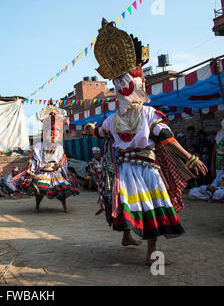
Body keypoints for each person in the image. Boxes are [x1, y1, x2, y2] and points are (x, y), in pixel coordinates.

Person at [85, 19, 208, 265]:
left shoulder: (111, 119)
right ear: (139, 87)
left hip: (125, 170)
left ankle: (127, 238)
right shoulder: (148, 114)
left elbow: (98, 132)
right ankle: (152, 256)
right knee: (152, 210)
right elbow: (167, 138)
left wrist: (90, 129)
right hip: (148, 170)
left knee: (130, 206)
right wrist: (190, 157)